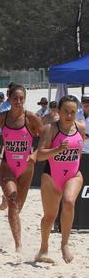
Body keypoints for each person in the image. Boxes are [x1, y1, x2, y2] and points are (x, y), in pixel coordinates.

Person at [35, 95, 86, 264]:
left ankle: (64, 244)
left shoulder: (81, 127)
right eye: (66, 111)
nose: (69, 115)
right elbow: (39, 155)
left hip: (73, 174)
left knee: (69, 201)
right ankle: (43, 247)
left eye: (73, 112)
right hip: (51, 176)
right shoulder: (51, 129)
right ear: (59, 110)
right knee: (49, 216)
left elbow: (78, 152)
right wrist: (57, 149)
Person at [0, 84, 43, 252]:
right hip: (8, 165)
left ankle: (5, 198)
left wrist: (35, 154)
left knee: (18, 206)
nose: (18, 101)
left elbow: (46, 138)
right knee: (14, 203)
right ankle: (18, 245)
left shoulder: (31, 118)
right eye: (15, 98)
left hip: (26, 167)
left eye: (21, 99)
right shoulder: (2, 117)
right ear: (9, 98)